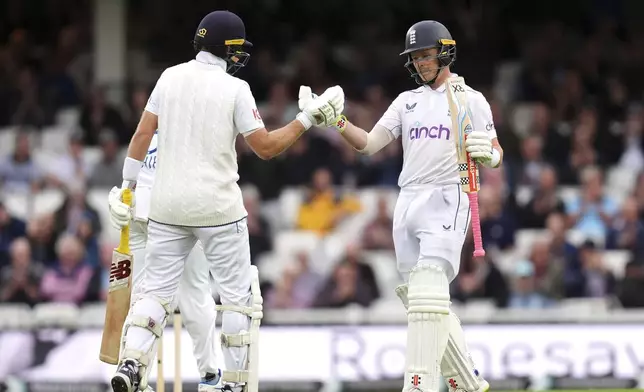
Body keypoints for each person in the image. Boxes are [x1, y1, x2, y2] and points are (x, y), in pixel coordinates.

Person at [109, 9, 344, 392]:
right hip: (218, 208)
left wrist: (127, 187)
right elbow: (265, 148)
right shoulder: (236, 89)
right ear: (224, 48)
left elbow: (141, 135)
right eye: (236, 49)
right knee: (238, 298)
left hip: (168, 206)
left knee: (154, 291)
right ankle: (232, 383)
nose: (239, 57)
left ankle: (133, 362)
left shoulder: (169, 77)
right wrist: (306, 120)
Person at [300, 20, 501, 392]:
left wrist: (489, 156)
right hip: (407, 199)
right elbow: (368, 143)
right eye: (415, 58)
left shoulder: (470, 99)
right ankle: (468, 383)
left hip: (447, 195)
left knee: (428, 290)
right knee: (422, 299)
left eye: (426, 56)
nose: (421, 64)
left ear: (444, 52)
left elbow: (495, 148)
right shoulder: (407, 101)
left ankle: (418, 385)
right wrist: (336, 122)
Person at [108, 131, 222, 391]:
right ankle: (138, 368)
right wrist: (120, 195)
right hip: (153, 215)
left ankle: (136, 366)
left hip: (170, 216)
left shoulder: (192, 133)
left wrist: (122, 193)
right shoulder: (156, 131)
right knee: (147, 298)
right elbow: (131, 176)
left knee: (177, 299)